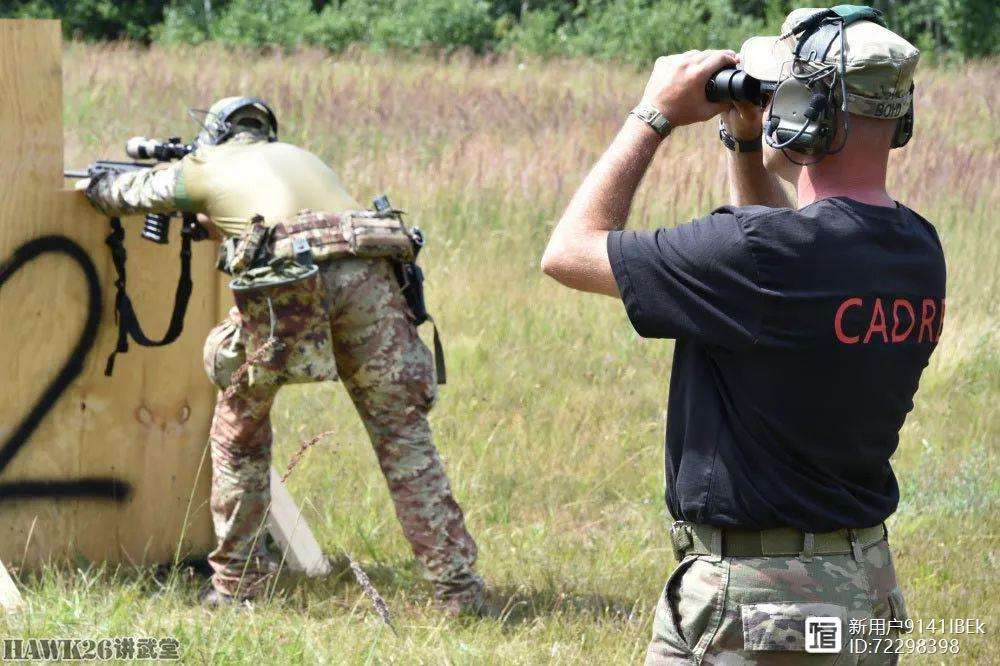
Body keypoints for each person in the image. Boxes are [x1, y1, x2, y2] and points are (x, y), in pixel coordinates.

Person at [542, 7, 941, 664]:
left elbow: (568, 251)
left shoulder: (754, 256)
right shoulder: (916, 250)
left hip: (755, 605)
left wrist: (653, 116)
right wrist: (744, 143)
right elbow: (783, 265)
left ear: (809, 110)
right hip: (863, 586)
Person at [80, 97, 484, 613]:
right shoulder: (303, 156)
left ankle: (238, 585)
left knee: (240, 432)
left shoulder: (207, 164)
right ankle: (459, 592)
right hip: (370, 275)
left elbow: (123, 195)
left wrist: (94, 183)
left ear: (216, 136)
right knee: (403, 437)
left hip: (289, 278)